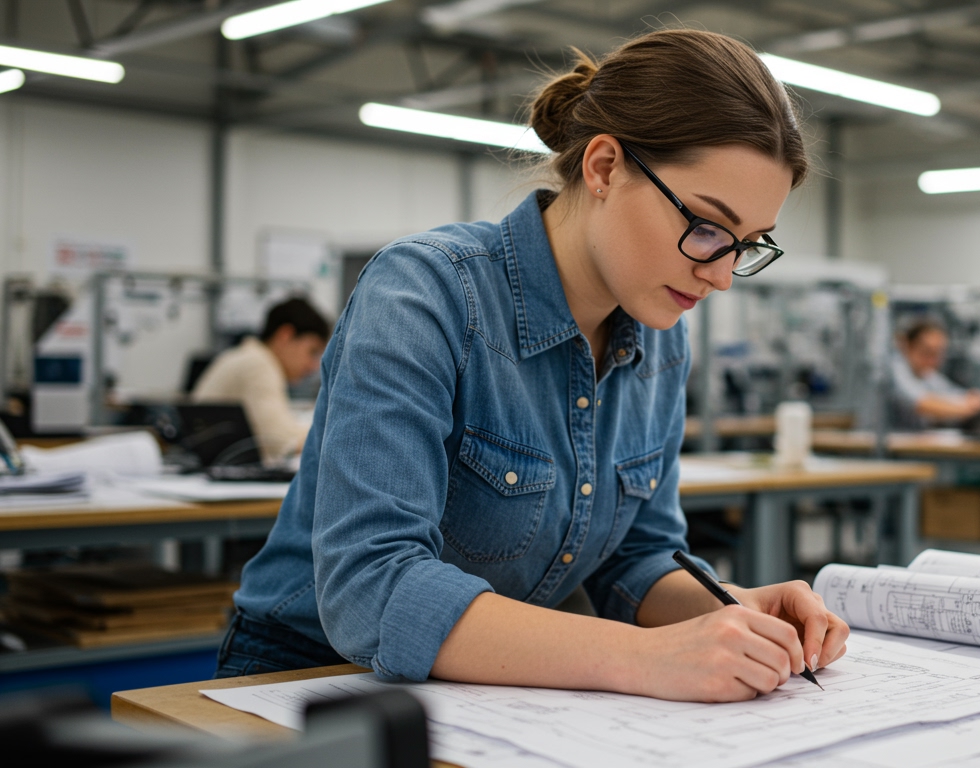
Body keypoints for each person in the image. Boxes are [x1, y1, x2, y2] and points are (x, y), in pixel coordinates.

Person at [216, 29, 849, 703]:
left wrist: (728, 612)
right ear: (605, 167)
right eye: (706, 228)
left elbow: (635, 560)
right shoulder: (426, 294)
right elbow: (371, 588)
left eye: (747, 246)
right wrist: (645, 657)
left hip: (488, 689)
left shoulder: (659, 337)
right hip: (307, 677)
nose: (722, 275)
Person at [192, 297, 329, 460]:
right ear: (285, 335)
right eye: (312, 351)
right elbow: (283, 440)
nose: (313, 366)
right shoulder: (259, 365)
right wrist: (336, 435)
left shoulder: (246, 356)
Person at [889, 319, 980, 430]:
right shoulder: (893, 370)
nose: (933, 361)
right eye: (927, 352)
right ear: (907, 345)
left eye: (938, 354)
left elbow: (949, 393)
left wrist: (971, 398)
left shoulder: (927, 374)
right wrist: (966, 408)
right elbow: (922, 404)